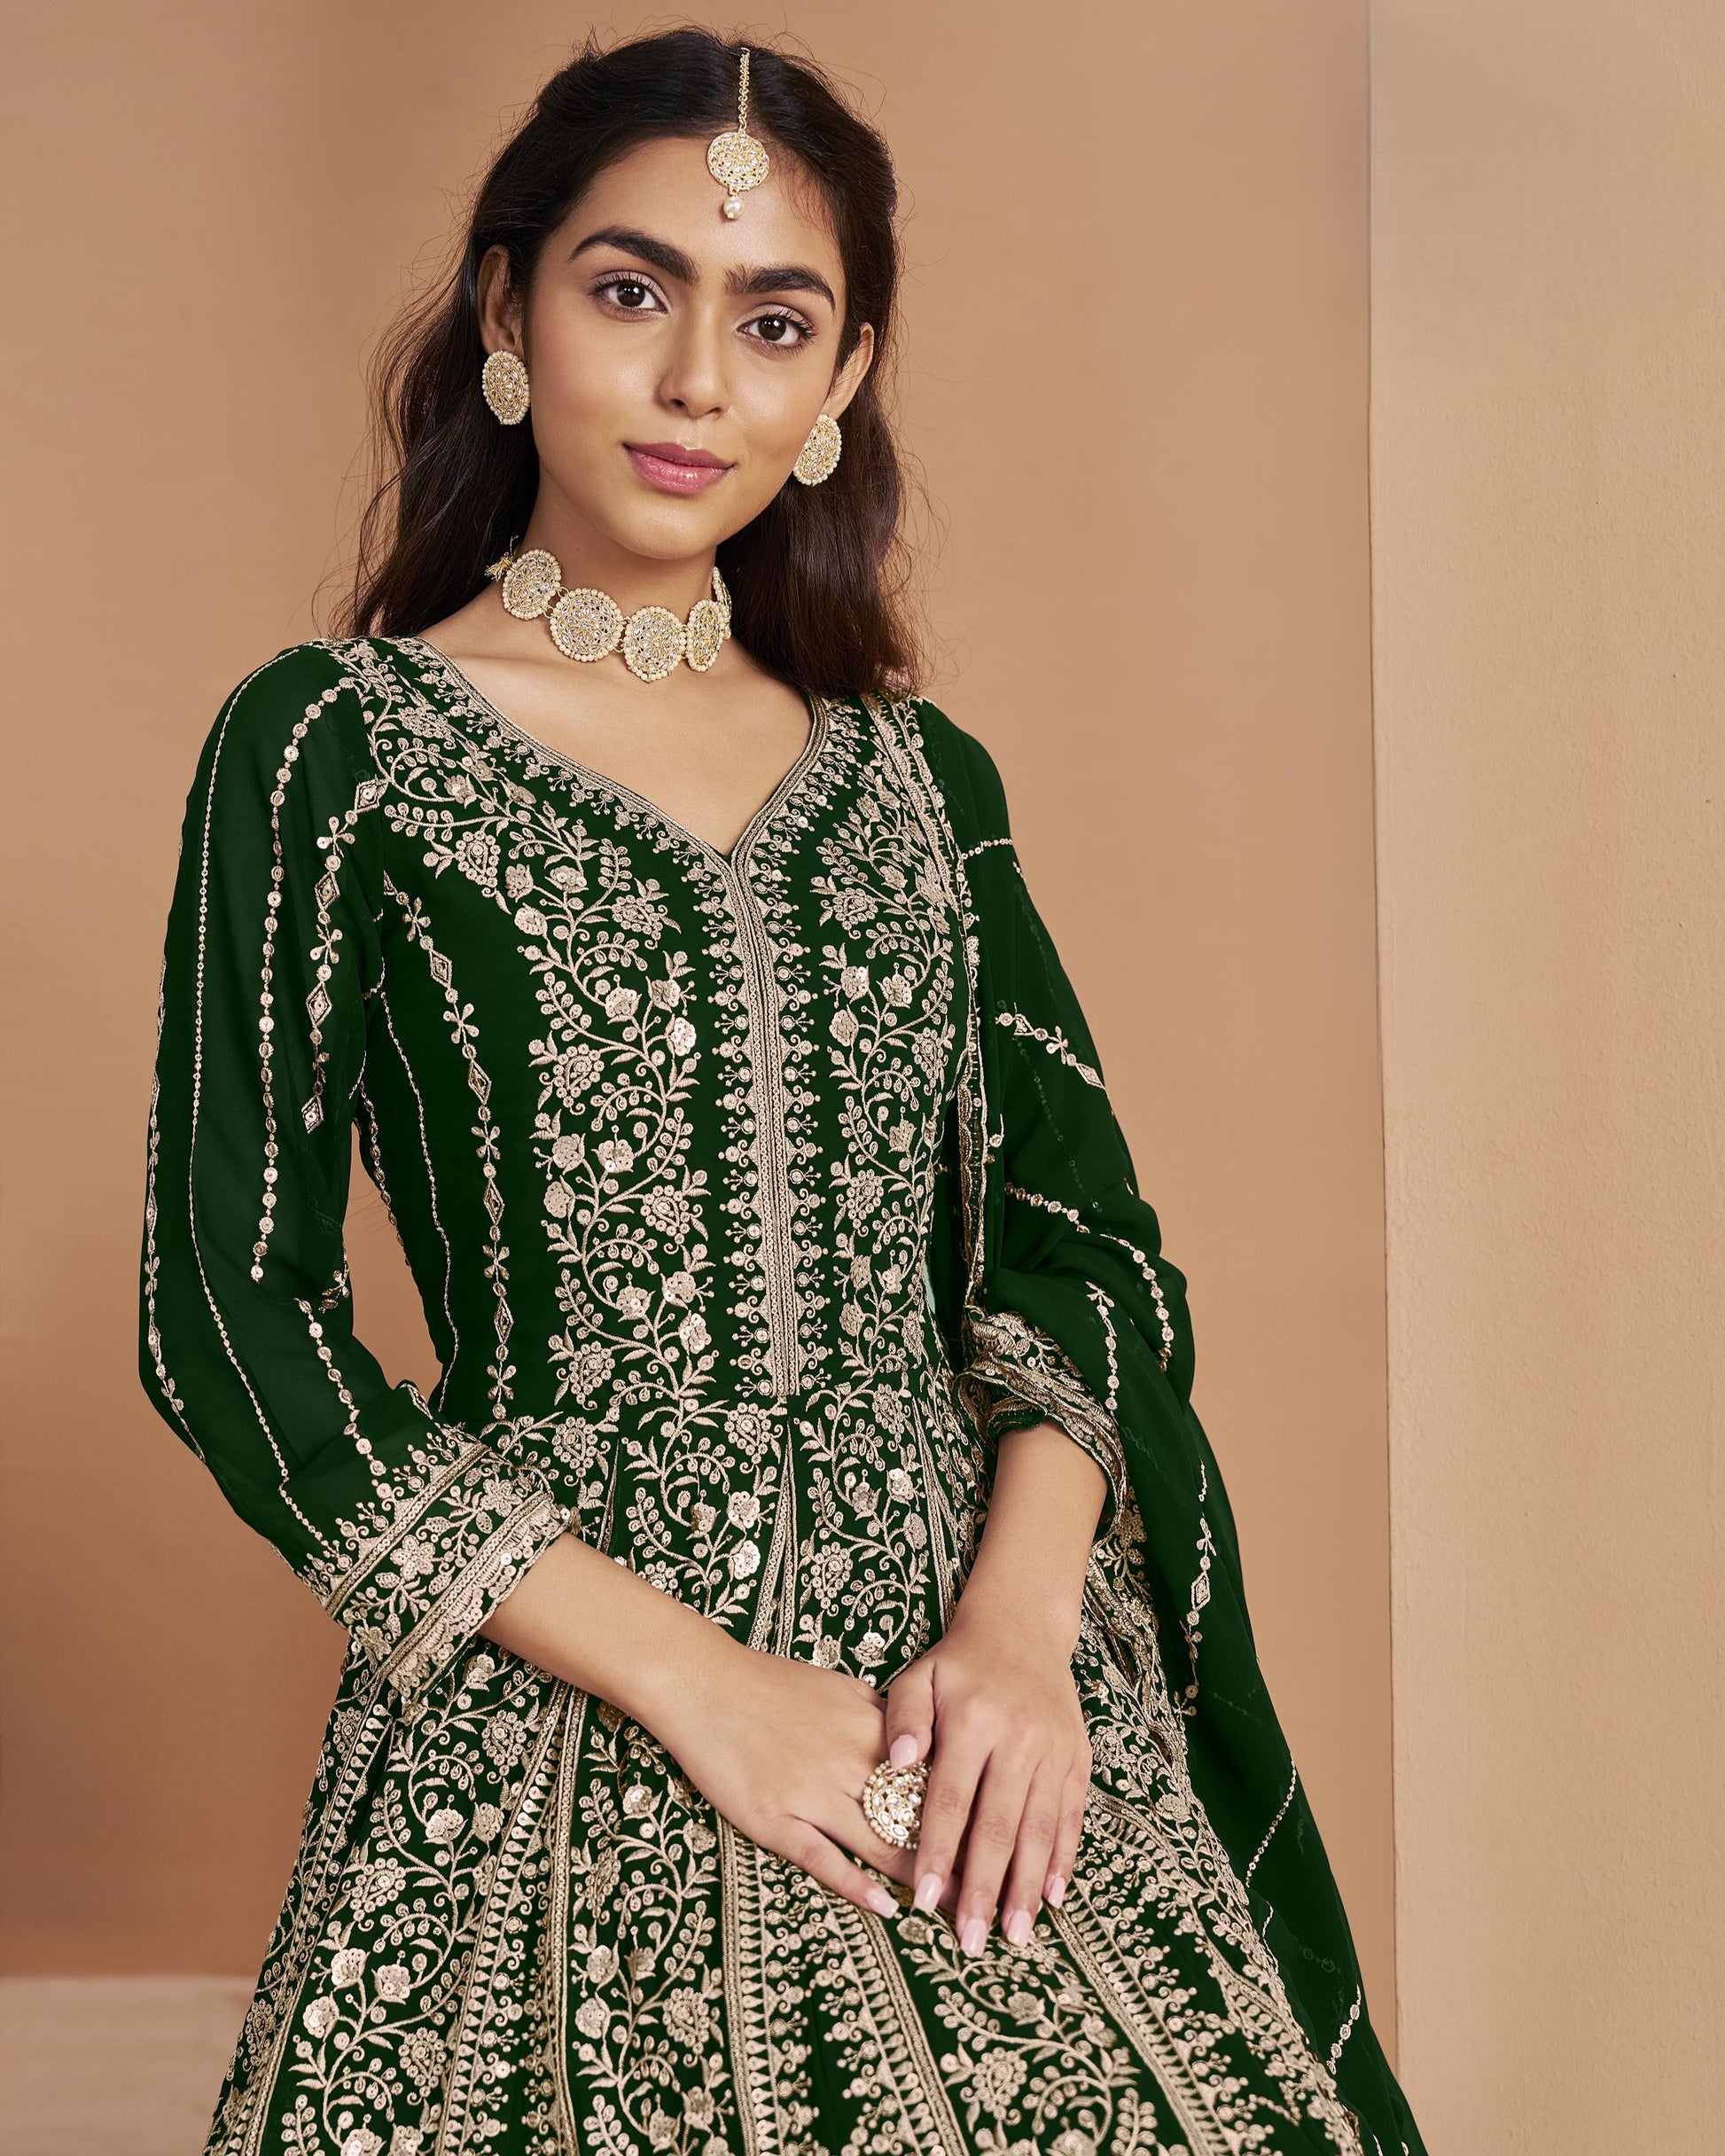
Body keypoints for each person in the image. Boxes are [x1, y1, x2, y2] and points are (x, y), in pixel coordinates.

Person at [137, 28, 1426, 2156]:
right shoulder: (329, 748)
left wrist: (1017, 1640)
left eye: (774, 321)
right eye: (628, 290)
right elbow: (232, 1324)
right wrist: (704, 1685)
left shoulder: (920, 784)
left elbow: (1078, 1247)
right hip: (560, 1677)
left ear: (840, 388)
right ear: (504, 315)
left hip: (968, 1692)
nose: (694, 380)